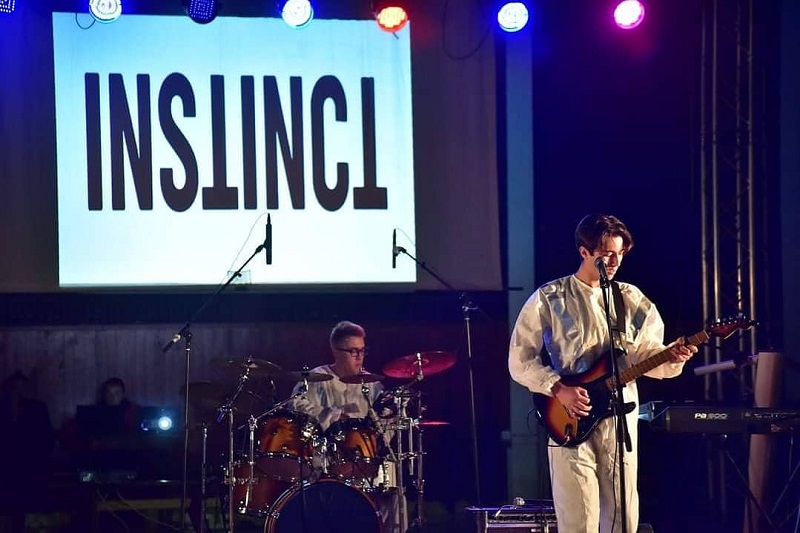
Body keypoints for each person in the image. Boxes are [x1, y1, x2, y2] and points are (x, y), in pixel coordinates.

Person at [508, 214, 697, 533]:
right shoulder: (550, 297)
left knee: (624, 514)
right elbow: (520, 359)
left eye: (620, 253)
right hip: (571, 414)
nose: (614, 261)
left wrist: (672, 356)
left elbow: (645, 356)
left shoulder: (632, 299)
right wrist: (557, 388)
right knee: (578, 515)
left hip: (619, 418)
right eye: (606, 254)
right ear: (584, 252)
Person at [291, 320, 403, 533]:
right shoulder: (316, 379)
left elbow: (385, 424)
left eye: (362, 350)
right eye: (353, 351)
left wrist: (393, 416)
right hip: (326, 462)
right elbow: (296, 406)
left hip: (366, 460)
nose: (359, 356)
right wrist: (333, 415)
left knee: (395, 493)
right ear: (335, 350)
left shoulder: (372, 384)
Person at [0, 371, 55, 533]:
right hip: (7, 468)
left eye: (22, 387)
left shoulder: (37, 408)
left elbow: (47, 441)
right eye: (14, 388)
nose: (19, 391)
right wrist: (13, 415)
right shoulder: (2, 409)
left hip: (33, 467)